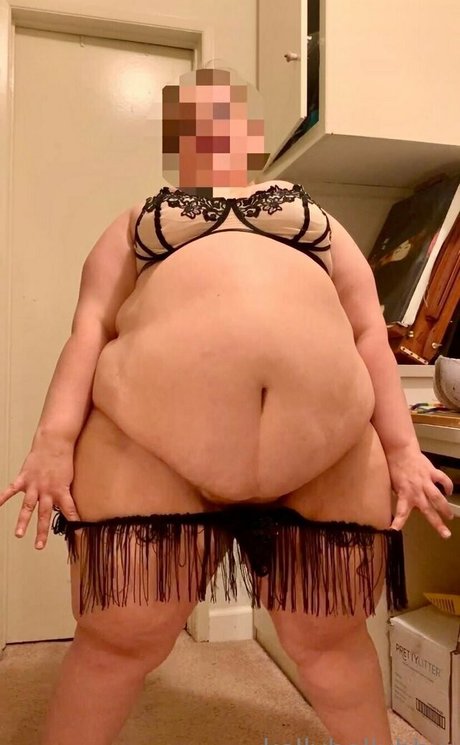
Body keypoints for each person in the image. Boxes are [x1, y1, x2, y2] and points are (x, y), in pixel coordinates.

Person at [0, 64, 455, 745]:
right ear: (176, 139)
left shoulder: (315, 217)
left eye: (229, 115)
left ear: (255, 134)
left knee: (332, 642)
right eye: (194, 118)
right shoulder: (139, 219)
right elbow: (89, 328)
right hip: (147, 446)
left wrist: (402, 448)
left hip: (328, 451)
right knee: (118, 640)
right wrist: (53, 439)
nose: (214, 128)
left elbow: (367, 331)